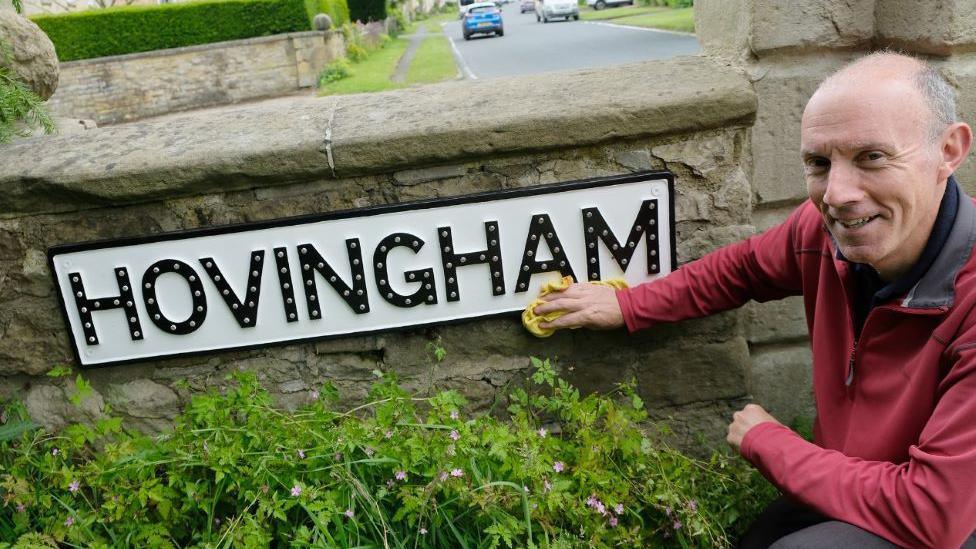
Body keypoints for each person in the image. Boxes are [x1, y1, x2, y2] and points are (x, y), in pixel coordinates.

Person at [533, 52, 976, 548]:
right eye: (819, 163)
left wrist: (769, 442)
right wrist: (630, 305)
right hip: (858, 477)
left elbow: (934, 514)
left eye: (872, 157)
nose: (837, 194)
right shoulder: (825, 234)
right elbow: (741, 269)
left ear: (949, 149)